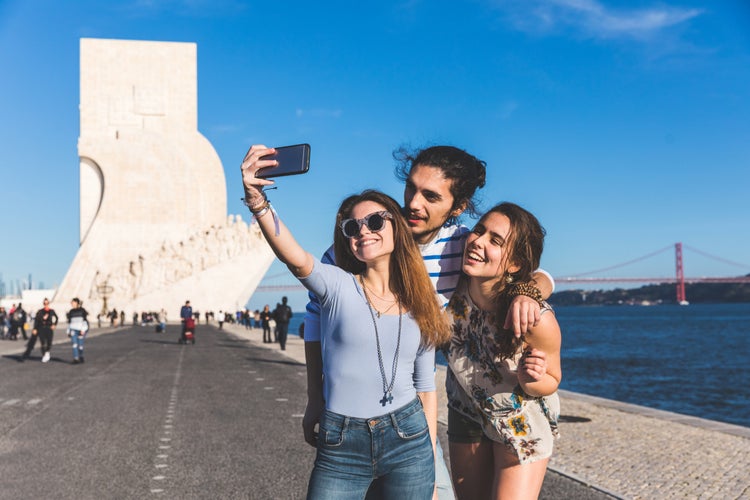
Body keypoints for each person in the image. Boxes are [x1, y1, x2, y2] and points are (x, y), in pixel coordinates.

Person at [303, 145, 555, 499]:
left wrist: (530, 291)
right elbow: (314, 319)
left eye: (431, 196)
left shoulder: (463, 244)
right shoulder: (362, 239)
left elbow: (529, 269)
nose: (413, 203)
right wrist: (315, 397)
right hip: (354, 418)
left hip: (415, 411)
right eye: (411, 188)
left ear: (457, 208)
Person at [242, 145, 451, 498]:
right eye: (352, 227)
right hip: (342, 442)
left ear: (396, 227)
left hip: (409, 439)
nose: (363, 231)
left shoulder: (422, 301)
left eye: (374, 221)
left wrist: (429, 458)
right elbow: (294, 257)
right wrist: (257, 200)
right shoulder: (336, 285)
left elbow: (425, 387)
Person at [443, 202, 562, 500]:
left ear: (515, 264)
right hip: (466, 411)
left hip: (520, 421)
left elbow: (552, 379)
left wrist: (533, 379)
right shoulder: (449, 286)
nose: (477, 241)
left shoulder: (535, 318)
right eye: (479, 231)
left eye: (495, 241)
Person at [23, 298, 58, 362]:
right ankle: (44, 354)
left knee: (49, 342)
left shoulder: (51, 311)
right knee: (43, 342)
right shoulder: (40, 311)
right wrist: (35, 329)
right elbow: (36, 321)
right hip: (41, 328)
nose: (46, 305)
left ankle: (47, 351)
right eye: (45, 303)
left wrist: (54, 324)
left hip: (49, 328)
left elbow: (56, 318)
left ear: (49, 303)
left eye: (47, 303)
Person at [67, 297, 89, 364]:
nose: (71, 304)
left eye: (73, 302)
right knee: (74, 344)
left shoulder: (82, 311)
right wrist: (68, 331)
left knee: (80, 345)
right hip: (73, 329)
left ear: (76, 303)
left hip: (80, 330)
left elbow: (85, 321)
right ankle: (76, 358)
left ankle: (81, 356)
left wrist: (83, 329)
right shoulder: (71, 312)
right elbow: (70, 322)